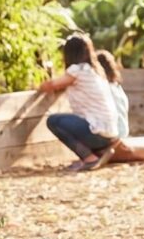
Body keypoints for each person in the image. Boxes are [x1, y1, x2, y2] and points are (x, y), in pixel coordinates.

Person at [40, 32, 122, 171]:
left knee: (54, 121)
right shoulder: (95, 71)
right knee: (71, 120)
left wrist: (39, 86)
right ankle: (100, 152)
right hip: (110, 133)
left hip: (97, 131)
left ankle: (89, 158)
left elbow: (50, 85)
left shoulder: (77, 70)